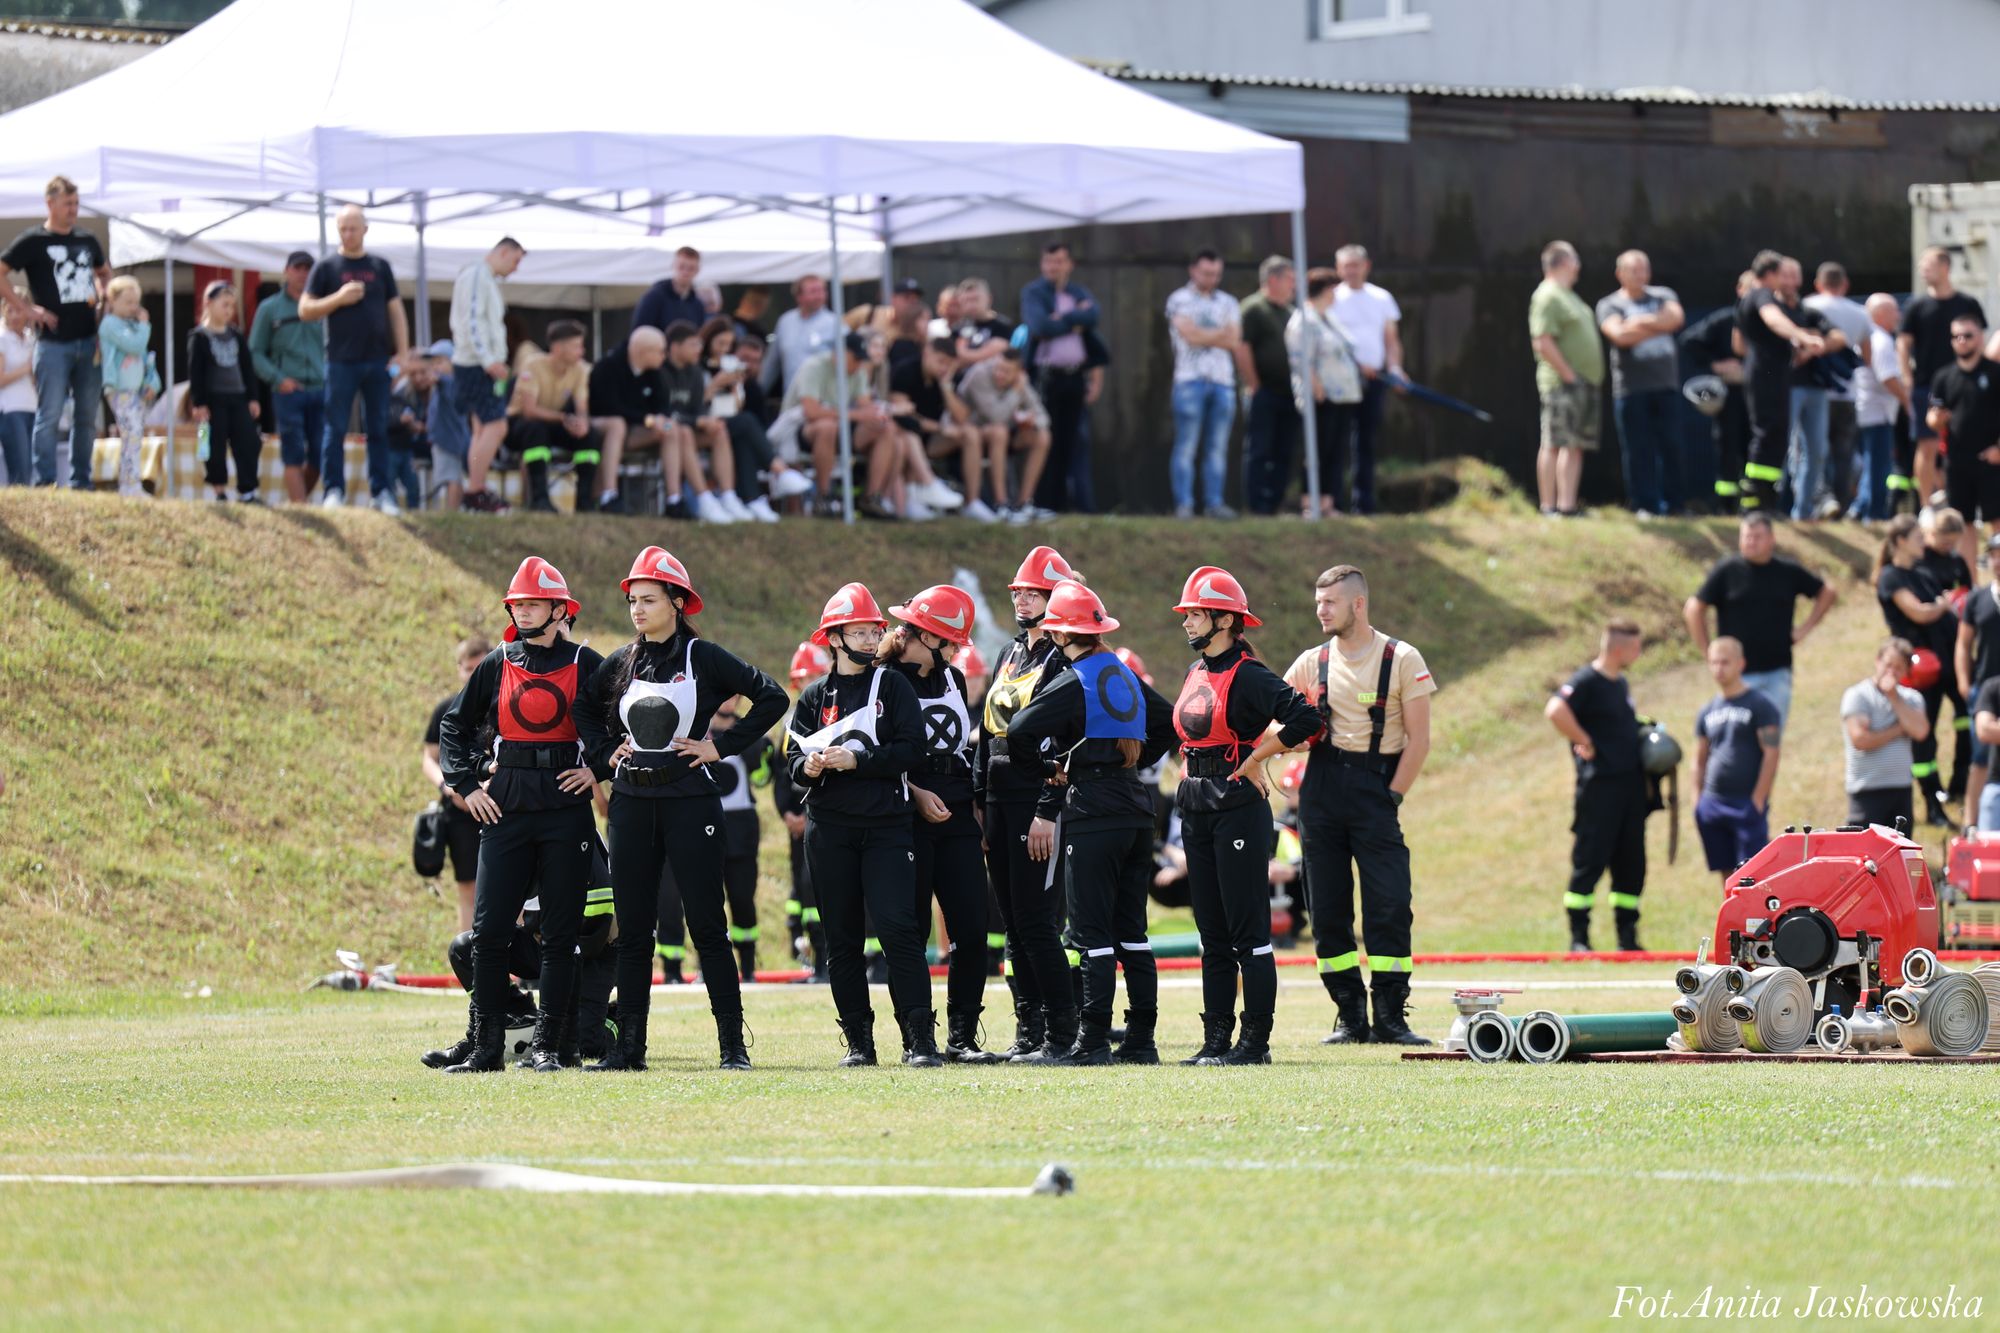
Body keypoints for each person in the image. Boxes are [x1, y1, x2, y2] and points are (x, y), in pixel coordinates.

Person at [575, 547, 787, 1071]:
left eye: (648, 600)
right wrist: (605, 754)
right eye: (632, 601)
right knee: (634, 931)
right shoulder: (621, 661)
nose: (637, 610)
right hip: (630, 804)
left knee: (708, 927)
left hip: (691, 803)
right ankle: (629, 1051)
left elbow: (772, 697)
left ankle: (732, 1048)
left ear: (676, 602)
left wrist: (721, 745)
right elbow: (584, 707)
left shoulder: (706, 656)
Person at [434, 558, 606, 1073]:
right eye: (518, 604)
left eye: (533, 603)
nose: (523, 611)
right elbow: (454, 726)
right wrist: (465, 786)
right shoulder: (498, 660)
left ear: (559, 609)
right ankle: (485, 1049)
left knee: (559, 935)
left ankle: (551, 1047)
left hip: (565, 808)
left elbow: (626, 726)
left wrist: (597, 770)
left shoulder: (588, 663)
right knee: (488, 934)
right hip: (506, 805)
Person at [1003, 582, 1176, 1064]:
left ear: (1059, 632)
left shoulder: (1073, 678)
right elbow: (1168, 722)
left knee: (1090, 934)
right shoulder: (1120, 670)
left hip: (1092, 810)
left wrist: (1050, 769)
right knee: (1134, 934)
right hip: (1138, 807)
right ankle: (1141, 1040)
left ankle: (1094, 1041)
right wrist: (1138, 762)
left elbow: (1019, 731)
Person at [1278, 564, 1436, 1046]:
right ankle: (1349, 1016)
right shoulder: (1310, 662)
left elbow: (1420, 739)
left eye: (1329, 603)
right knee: (1326, 908)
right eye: (1318, 602)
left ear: (1358, 604)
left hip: (1376, 789)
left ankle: (1390, 1016)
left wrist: (1391, 797)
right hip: (1320, 792)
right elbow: (1277, 719)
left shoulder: (1401, 658)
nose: (1320, 610)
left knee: (1389, 904)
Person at [1169, 566, 1317, 1063]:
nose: (1186, 622)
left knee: (1247, 932)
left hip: (1237, 809)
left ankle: (1254, 1043)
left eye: (1194, 614)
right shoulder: (1196, 671)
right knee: (1211, 934)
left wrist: (1258, 757)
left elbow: (1306, 718)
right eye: (1187, 614)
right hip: (1196, 804)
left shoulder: (1249, 673)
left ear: (1224, 620)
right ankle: (1215, 1040)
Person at [787, 582, 934, 1066]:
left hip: (887, 827)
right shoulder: (812, 697)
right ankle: (859, 1043)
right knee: (841, 938)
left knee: (898, 929)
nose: (872, 640)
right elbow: (792, 758)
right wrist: (805, 768)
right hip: (829, 831)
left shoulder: (892, 686)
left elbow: (913, 750)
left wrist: (859, 760)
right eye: (861, 631)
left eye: (876, 631)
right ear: (833, 637)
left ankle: (919, 1040)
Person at [878, 584, 1004, 1061]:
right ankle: (918, 1038)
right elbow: (876, 751)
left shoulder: (951, 679)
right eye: (951, 642)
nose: (956, 652)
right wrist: (913, 793)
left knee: (972, 928)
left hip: (956, 810)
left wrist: (975, 802)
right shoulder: (884, 679)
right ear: (925, 635)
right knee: (908, 932)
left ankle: (962, 1037)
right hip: (906, 813)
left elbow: (964, 749)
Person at [976, 545, 1081, 1061]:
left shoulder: (1065, 657)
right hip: (998, 798)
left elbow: (1066, 743)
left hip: (1036, 800)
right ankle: (1029, 1031)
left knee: (1039, 922)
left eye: (1033, 591)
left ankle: (1063, 1034)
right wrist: (978, 800)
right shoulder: (1010, 652)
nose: (1022, 598)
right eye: (1018, 590)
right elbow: (985, 729)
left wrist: (1048, 806)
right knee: (1014, 923)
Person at [420, 831, 619, 1070]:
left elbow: (598, 917)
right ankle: (509, 1018)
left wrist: (557, 968)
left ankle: (613, 1018)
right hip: (546, 944)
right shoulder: (509, 829)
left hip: (594, 949)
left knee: (585, 1041)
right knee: (469, 947)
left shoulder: (566, 824)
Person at [1545, 618, 1648, 953]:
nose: (1639, 652)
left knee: (1630, 863)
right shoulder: (1588, 680)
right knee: (1590, 860)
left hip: (1630, 789)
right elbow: (1555, 710)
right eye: (1635, 646)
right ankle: (1579, 938)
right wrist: (1584, 738)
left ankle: (1628, 940)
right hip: (1600, 788)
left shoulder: (1620, 684)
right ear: (1619, 648)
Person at [300, 205, 412, 513]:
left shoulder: (379, 266)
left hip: (377, 360)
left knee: (378, 427)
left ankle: (382, 491)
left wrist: (402, 352)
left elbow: (396, 310)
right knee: (334, 427)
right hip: (340, 360)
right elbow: (305, 309)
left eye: (353, 228)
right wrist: (338, 298)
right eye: (342, 229)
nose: (348, 234)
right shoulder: (326, 267)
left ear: (365, 228)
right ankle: (333, 490)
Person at [0, 176, 109, 489]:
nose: (73, 210)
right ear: (50, 203)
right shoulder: (33, 241)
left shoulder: (88, 240)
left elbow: (104, 270)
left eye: (76, 204)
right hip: (53, 344)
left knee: (86, 416)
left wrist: (104, 296)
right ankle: (45, 481)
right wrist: (26, 308)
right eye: (68, 203)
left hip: (88, 339)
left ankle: (81, 481)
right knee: (49, 414)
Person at [1683, 511, 1835, 730]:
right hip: (1738, 676)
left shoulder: (1787, 571)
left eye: (1757, 536)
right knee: (1738, 739)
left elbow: (1827, 592)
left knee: (1771, 739)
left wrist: (1805, 628)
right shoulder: (1727, 571)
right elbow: (1693, 609)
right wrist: (1708, 652)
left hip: (1777, 672)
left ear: (1772, 539)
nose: (1750, 541)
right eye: (1746, 536)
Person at [1874, 513, 1961, 827]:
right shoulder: (1890, 577)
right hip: (1918, 669)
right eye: (1917, 538)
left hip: (1945, 662)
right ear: (1899, 541)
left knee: (1951, 728)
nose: (1924, 543)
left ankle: (1952, 790)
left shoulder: (1922, 572)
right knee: (1923, 737)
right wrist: (1944, 603)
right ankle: (1931, 801)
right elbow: (1918, 612)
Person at [1732, 250, 1826, 512]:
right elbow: (1773, 320)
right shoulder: (1761, 295)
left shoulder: (1749, 297)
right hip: (1766, 373)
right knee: (1768, 432)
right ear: (1771, 274)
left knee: (1773, 432)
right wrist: (1802, 337)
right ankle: (1757, 498)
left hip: (1767, 372)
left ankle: (1762, 496)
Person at [1595, 249, 1686, 516]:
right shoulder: (1609, 304)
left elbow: (1675, 319)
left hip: (1666, 386)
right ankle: (1644, 505)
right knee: (1638, 450)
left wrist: (1638, 322)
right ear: (1619, 274)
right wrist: (1658, 323)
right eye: (1633, 270)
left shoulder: (1664, 295)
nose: (1640, 274)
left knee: (1672, 446)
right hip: (1631, 390)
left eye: (1644, 268)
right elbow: (1619, 336)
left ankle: (1675, 505)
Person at [1019, 241, 1107, 514]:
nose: (1052, 267)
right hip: (1046, 379)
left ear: (1069, 264)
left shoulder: (1078, 292)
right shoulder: (1033, 292)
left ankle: (1081, 506)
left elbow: (1093, 316)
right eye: (1048, 262)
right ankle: (1047, 504)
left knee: (1075, 443)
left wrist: (1063, 318)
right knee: (1048, 440)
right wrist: (1074, 321)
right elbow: (1040, 325)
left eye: (1058, 262)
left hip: (1075, 378)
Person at [777, 331, 901, 520]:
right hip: (800, 430)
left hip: (840, 428)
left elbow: (865, 405)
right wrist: (856, 414)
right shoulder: (814, 366)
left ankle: (871, 498)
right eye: (855, 359)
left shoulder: (857, 371)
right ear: (840, 354)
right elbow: (811, 411)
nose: (859, 364)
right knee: (827, 426)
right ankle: (823, 496)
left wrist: (877, 415)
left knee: (886, 429)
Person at [1691, 637, 1781, 889]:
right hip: (1712, 804)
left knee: (1753, 873)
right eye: (1714, 662)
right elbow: (1699, 759)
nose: (1719, 668)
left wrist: (1758, 799)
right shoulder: (1707, 711)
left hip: (1745, 804)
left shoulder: (1760, 705)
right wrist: (1697, 802)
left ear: (1741, 664)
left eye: (1725, 662)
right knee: (1726, 875)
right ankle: (1734, 926)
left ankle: (1755, 925)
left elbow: (1771, 753)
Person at [701, 317, 809, 520]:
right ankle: (779, 470)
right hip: (703, 426)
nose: (724, 349)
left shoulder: (744, 379)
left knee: (744, 439)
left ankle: (753, 500)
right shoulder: (699, 367)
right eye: (720, 344)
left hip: (726, 427)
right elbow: (696, 404)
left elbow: (735, 407)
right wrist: (716, 384)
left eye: (728, 345)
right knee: (747, 422)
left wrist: (735, 388)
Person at [1901, 247, 1985, 507]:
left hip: (1964, 386)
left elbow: (1980, 340)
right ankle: (1926, 508)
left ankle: (1962, 505)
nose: (1923, 270)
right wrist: (1907, 378)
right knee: (1927, 445)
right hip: (1926, 385)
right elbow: (1903, 344)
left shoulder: (1967, 304)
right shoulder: (1916, 305)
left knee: (1965, 445)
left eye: (1928, 265)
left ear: (1945, 267)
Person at [447, 237, 525, 512]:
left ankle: (475, 489)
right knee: (496, 426)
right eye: (515, 260)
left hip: (475, 363)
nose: (515, 269)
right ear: (503, 251)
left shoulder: (483, 277)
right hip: (476, 364)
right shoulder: (478, 275)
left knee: (482, 427)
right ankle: (475, 490)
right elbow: (473, 320)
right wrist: (489, 359)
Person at [1165, 249, 1242, 519]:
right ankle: (1184, 504)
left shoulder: (1229, 302)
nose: (1212, 279)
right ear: (1193, 270)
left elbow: (1233, 341)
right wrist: (1217, 334)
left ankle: (1214, 503)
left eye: (1217, 274)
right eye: (1207, 273)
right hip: (1190, 381)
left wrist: (1202, 334)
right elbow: (1189, 336)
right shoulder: (1179, 299)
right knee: (1186, 445)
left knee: (1217, 447)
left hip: (1222, 381)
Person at [1529, 241, 1604, 518]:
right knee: (1554, 442)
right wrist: (1569, 375)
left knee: (1574, 446)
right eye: (1576, 260)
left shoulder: (1567, 294)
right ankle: (1548, 506)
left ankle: (1567, 506)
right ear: (1564, 262)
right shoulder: (1547, 295)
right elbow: (1542, 342)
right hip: (1563, 384)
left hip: (1581, 383)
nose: (1579, 266)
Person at [423, 633, 491, 933]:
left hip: (500, 805)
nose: (475, 674)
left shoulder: (504, 706)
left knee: (512, 886)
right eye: (469, 668)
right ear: (459, 669)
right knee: (468, 890)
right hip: (459, 812)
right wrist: (449, 788)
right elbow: (429, 757)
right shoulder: (447, 709)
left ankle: (516, 967)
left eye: (481, 667)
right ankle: (468, 964)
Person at [1329, 244, 1403, 516]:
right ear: (1338, 268)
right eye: (1345, 266)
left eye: (1355, 265)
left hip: (1375, 381)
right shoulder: (1332, 297)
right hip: (1340, 381)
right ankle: (1333, 503)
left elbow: (1391, 340)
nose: (1351, 271)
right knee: (1336, 443)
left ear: (1366, 266)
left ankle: (1364, 506)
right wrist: (1357, 366)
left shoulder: (1381, 298)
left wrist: (1395, 368)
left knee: (1366, 442)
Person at [249, 251, 327, 505]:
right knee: (292, 453)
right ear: (286, 271)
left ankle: (299, 503)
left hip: (319, 387)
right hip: (288, 391)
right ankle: (301, 507)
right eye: (298, 268)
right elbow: (256, 351)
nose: (303, 274)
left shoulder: (323, 306)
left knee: (320, 453)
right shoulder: (270, 308)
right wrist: (277, 378)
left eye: (308, 269)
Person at [1775, 257, 1847, 522]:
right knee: (1782, 450)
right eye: (1785, 275)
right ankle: (1771, 508)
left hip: (1814, 389)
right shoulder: (1769, 308)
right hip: (1785, 389)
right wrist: (1801, 339)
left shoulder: (1808, 310)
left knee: (1817, 451)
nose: (1791, 281)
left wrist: (1814, 345)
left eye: (1795, 275)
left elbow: (1839, 337)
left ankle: (1803, 512)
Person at [1926, 313, 2000, 571]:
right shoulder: (1944, 377)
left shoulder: (1995, 373)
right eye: (1956, 336)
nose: (1962, 341)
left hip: (1991, 461)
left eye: (1968, 335)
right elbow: (1932, 417)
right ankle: (1970, 588)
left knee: (1997, 521)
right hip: (1957, 461)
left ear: (1980, 338)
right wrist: (1937, 420)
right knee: (1963, 523)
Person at [1679, 270, 1757, 513]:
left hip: (1758, 397)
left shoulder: (1769, 321)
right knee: (1727, 448)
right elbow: (1689, 341)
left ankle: (1754, 505)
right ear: (1739, 289)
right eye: (1750, 288)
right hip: (1730, 397)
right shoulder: (1725, 320)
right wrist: (1716, 364)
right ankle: (1726, 507)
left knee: (1754, 450)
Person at [1287, 266, 1362, 518]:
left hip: (1342, 397)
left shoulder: (1328, 317)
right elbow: (1300, 359)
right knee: (1316, 451)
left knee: (1334, 451)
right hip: (1321, 398)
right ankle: (1311, 502)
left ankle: (1328, 503)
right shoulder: (1304, 319)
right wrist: (1315, 386)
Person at [505, 319, 601, 513]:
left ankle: (584, 502)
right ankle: (540, 499)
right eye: (576, 346)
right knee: (535, 431)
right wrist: (564, 419)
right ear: (557, 348)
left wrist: (582, 424)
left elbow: (581, 406)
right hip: (519, 423)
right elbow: (529, 411)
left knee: (590, 436)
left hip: (555, 420)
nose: (581, 351)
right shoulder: (533, 365)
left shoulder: (580, 369)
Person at [658, 320, 748, 523]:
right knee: (683, 432)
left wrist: (706, 420)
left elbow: (698, 408)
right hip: (661, 429)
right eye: (693, 344)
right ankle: (703, 498)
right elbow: (664, 412)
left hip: (685, 428)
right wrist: (698, 420)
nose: (699, 349)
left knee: (719, 430)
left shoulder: (695, 372)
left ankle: (728, 496)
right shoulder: (660, 371)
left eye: (699, 344)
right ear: (675, 346)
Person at [186, 280, 264, 505]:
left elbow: (247, 369)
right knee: (211, 444)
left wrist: (253, 397)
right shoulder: (198, 337)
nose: (229, 310)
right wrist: (198, 402)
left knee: (249, 442)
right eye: (224, 304)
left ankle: (247, 490)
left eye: (232, 306)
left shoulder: (237, 335)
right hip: (212, 401)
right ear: (208, 304)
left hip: (238, 398)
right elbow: (195, 372)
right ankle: (218, 490)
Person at [1843, 636, 1932, 829]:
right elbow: (1860, 739)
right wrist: (1899, 730)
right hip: (1867, 789)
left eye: (1898, 667)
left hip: (1901, 789)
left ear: (1907, 670)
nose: (1891, 671)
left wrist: (1893, 697)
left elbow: (1921, 731)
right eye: (1888, 664)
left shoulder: (1912, 699)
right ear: (1877, 661)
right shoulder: (1858, 696)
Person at [891, 337, 985, 516]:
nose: (943, 367)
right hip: (907, 435)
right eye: (940, 361)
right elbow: (903, 416)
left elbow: (962, 417)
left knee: (970, 433)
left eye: (948, 364)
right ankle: (926, 487)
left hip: (931, 440)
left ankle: (973, 502)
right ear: (927, 353)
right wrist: (940, 428)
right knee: (910, 435)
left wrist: (946, 386)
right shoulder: (905, 371)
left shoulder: (947, 378)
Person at [1805, 262, 1870, 517]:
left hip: (1815, 392)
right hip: (1848, 395)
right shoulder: (1859, 313)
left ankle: (1816, 504)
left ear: (1818, 284)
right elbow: (1867, 357)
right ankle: (1841, 508)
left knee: (1812, 453)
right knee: (1844, 455)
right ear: (1845, 285)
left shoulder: (1808, 306)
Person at [959, 348, 1053, 524]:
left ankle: (1024, 503)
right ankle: (1001, 504)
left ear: (1019, 372)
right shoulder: (980, 374)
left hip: (1003, 436)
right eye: (998, 368)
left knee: (1042, 437)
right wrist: (1016, 391)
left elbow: (1043, 416)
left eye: (1007, 371)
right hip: (969, 432)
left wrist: (1031, 422)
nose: (1000, 374)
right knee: (999, 432)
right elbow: (996, 416)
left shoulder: (1020, 382)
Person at [587, 326, 673, 515]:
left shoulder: (656, 373)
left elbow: (663, 406)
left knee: (673, 430)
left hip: (635, 431)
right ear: (643, 351)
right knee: (617, 424)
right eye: (660, 351)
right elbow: (607, 407)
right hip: (600, 429)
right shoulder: (607, 367)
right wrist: (649, 419)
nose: (664, 356)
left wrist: (662, 421)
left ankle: (674, 499)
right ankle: (608, 495)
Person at [1237, 256, 1300, 517]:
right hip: (1264, 393)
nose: (1294, 286)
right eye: (1290, 280)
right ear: (1273, 279)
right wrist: (1255, 385)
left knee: (1284, 451)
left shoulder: (1290, 312)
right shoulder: (1253, 308)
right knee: (1259, 450)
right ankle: (1257, 506)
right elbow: (1242, 347)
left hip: (1290, 395)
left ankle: (1275, 504)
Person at [1851, 292, 1910, 520]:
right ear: (1882, 314)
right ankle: (1871, 512)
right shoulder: (1882, 340)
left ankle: (1862, 508)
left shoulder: (1870, 336)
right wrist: (1907, 401)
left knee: (1871, 463)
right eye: (1895, 310)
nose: (1899, 315)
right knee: (1878, 466)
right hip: (1877, 413)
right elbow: (1888, 377)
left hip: (1868, 411)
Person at [97, 275, 155, 499]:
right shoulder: (110, 324)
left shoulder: (134, 326)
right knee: (130, 433)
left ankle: (132, 484)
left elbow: (145, 356)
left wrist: (152, 382)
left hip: (136, 390)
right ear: (112, 300)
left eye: (136, 302)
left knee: (135, 434)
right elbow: (135, 345)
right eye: (128, 302)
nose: (134, 307)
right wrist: (144, 326)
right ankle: (128, 486)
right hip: (120, 389)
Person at [1957, 531, 2000, 827]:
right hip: (1986, 690)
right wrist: (1964, 682)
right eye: (1995, 555)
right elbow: (1963, 643)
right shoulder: (1978, 599)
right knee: (1981, 759)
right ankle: (1971, 825)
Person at [760, 273, 841, 396]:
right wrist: (759, 391)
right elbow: (772, 363)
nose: (820, 295)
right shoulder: (785, 321)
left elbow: (846, 362)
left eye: (822, 290)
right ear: (799, 296)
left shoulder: (835, 323)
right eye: (814, 291)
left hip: (823, 400)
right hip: (791, 398)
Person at [633, 246, 707, 336]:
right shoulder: (654, 297)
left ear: (697, 270)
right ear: (673, 266)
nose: (685, 272)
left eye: (691, 268)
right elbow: (640, 333)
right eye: (681, 267)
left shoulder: (697, 305)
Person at [0, 300, 35, 486]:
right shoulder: (2, 338)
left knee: (29, 469)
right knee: (19, 469)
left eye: (19, 311)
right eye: (10, 311)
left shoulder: (32, 338)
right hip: (10, 409)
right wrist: (27, 368)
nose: (14, 316)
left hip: (32, 407)